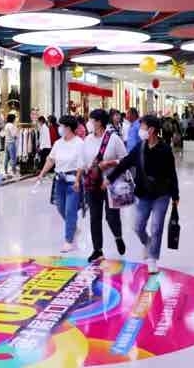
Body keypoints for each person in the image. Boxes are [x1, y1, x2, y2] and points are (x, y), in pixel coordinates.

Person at [106, 115, 179, 274]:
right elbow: (125, 163)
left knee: (156, 227)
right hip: (144, 194)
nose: (140, 130)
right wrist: (110, 178)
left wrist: (175, 196)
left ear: (151, 130)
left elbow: (172, 173)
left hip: (162, 194)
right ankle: (148, 243)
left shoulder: (165, 149)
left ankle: (152, 258)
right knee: (138, 226)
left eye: (143, 127)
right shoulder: (140, 147)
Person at [82, 109, 127, 263]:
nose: (89, 123)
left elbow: (125, 160)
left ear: (99, 122)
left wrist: (110, 163)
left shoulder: (113, 139)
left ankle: (118, 236)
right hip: (93, 184)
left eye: (91, 120)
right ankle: (97, 250)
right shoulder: (87, 139)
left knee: (111, 216)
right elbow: (83, 161)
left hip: (110, 183)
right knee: (95, 217)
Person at [37, 116, 86, 252]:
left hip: (73, 181)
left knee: (70, 210)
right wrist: (42, 173)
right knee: (60, 208)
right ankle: (73, 227)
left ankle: (68, 240)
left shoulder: (79, 143)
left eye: (61, 126)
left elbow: (81, 164)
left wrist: (77, 179)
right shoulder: (58, 143)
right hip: (59, 181)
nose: (59, 128)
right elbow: (51, 160)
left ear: (68, 128)